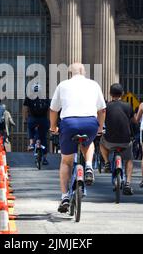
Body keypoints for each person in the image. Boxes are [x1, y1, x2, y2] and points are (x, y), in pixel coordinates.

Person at [49, 63, 106, 213]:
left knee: (66, 161)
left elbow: (53, 110)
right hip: (90, 122)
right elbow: (102, 110)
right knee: (90, 142)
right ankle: (88, 166)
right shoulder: (94, 85)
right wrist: (99, 128)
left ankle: (64, 196)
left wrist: (53, 126)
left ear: (70, 73)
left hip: (69, 123)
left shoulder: (63, 85)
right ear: (84, 72)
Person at [99, 83, 135, 195]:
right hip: (125, 140)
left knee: (101, 142)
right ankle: (128, 183)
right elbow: (134, 122)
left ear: (110, 94)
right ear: (122, 94)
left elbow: (101, 120)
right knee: (129, 159)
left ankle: (106, 162)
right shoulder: (128, 106)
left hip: (110, 140)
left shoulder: (106, 106)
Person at [23, 83, 51, 165]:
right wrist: (49, 120)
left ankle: (31, 143)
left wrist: (25, 119)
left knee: (30, 127)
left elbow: (25, 109)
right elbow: (49, 110)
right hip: (43, 120)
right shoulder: (45, 98)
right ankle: (45, 158)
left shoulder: (29, 97)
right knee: (44, 138)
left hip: (33, 119)